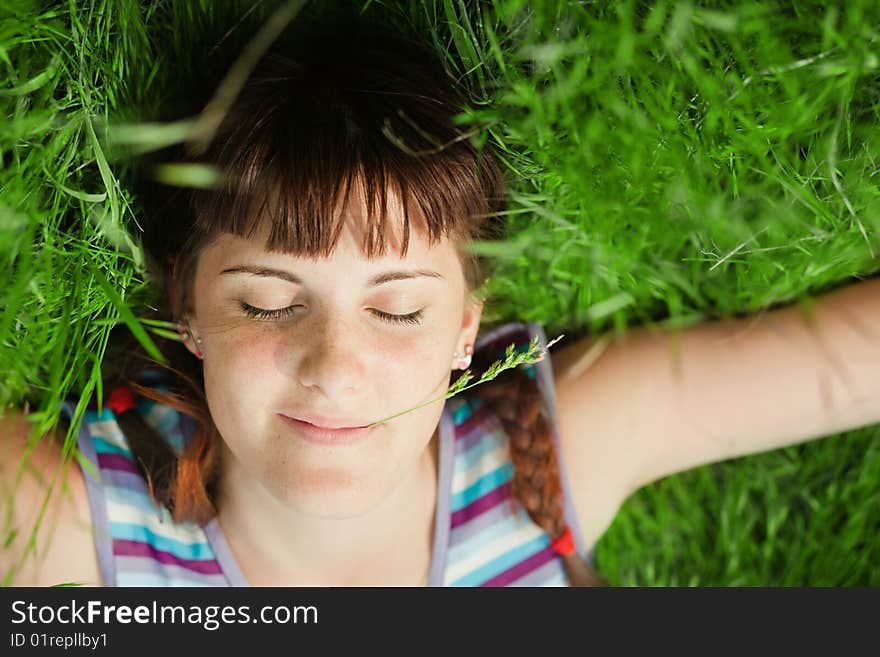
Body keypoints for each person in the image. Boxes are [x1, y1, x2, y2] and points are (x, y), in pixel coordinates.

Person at [2, 11, 878, 588]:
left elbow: (848, 367)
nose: (335, 372)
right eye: (269, 300)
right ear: (185, 307)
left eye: (397, 309)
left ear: (466, 322)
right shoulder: (84, 514)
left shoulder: (563, 446)